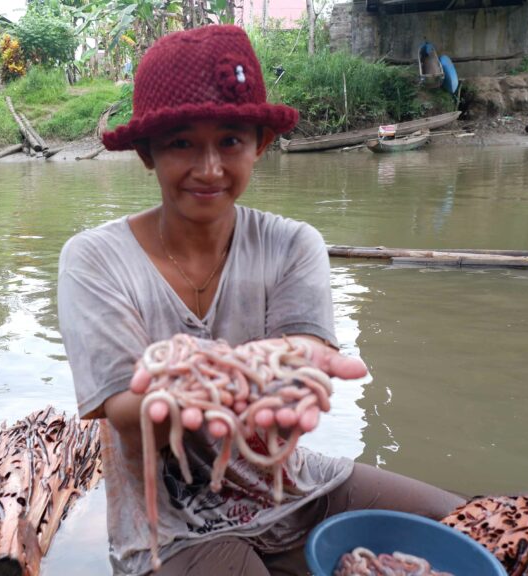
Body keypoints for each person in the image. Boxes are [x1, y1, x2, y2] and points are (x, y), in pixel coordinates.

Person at [57, 25, 464, 576]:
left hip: (292, 482)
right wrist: (204, 391)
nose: (208, 168)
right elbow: (130, 413)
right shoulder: (95, 258)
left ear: (260, 145)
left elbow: (301, 358)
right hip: (172, 522)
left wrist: (292, 378)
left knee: (472, 525)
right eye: (181, 142)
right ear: (147, 153)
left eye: (230, 140)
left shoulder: (294, 244)